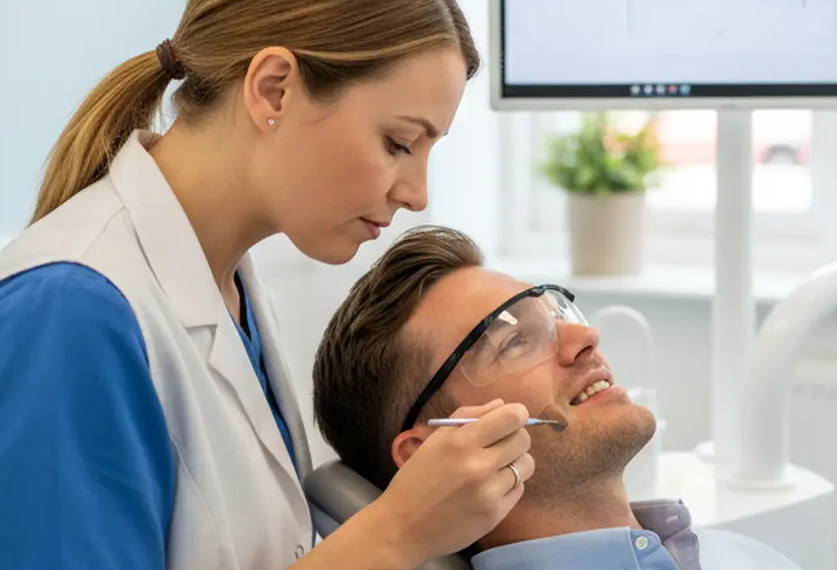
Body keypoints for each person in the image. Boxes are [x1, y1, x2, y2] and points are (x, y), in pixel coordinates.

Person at [0, 0, 537, 569]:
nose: (417, 193)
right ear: (274, 89)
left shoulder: (225, 287)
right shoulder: (62, 314)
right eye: (400, 143)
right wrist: (397, 534)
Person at [313, 225, 803, 570]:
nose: (585, 336)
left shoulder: (738, 554)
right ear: (430, 454)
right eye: (515, 340)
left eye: (557, 314)